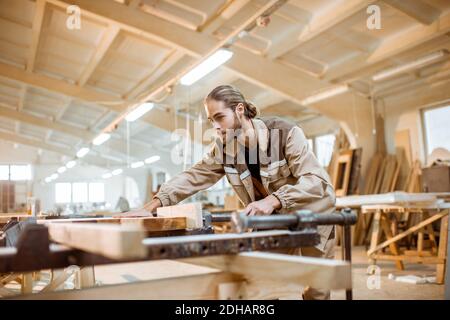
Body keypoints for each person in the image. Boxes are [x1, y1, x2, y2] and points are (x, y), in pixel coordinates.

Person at [127, 84, 336, 299]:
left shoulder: (285, 133)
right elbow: (193, 176)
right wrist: (150, 207)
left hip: (314, 216)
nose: (216, 126)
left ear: (239, 110)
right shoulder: (225, 149)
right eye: (212, 121)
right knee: (258, 282)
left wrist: (273, 200)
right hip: (276, 221)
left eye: (220, 117)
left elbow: (317, 181)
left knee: (316, 289)